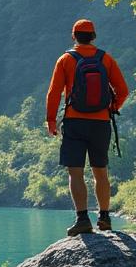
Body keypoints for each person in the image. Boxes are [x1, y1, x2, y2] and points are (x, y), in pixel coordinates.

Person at [45, 19, 129, 236]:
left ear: (74, 36)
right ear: (94, 36)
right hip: (101, 123)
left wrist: (51, 121)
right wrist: (111, 108)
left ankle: (82, 218)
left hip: (75, 121)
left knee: (75, 172)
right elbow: (123, 90)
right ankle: (105, 217)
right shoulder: (106, 59)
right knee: (100, 172)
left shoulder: (65, 60)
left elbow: (54, 93)